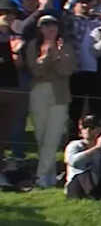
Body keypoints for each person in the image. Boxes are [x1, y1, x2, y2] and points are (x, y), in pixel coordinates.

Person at [27, 14, 76, 188]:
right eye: (45, 25)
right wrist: (45, 56)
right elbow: (36, 71)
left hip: (60, 93)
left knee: (53, 136)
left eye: (53, 24)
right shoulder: (33, 45)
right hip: (39, 92)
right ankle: (49, 175)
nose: (50, 28)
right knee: (41, 135)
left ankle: (40, 177)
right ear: (40, 28)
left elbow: (66, 70)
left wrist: (57, 55)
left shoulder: (66, 45)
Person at [64, 114, 101, 200]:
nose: (88, 130)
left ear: (100, 130)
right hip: (77, 186)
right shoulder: (74, 145)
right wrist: (96, 148)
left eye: (92, 127)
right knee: (83, 174)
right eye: (85, 127)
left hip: (96, 184)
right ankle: (95, 195)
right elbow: (73, 162)